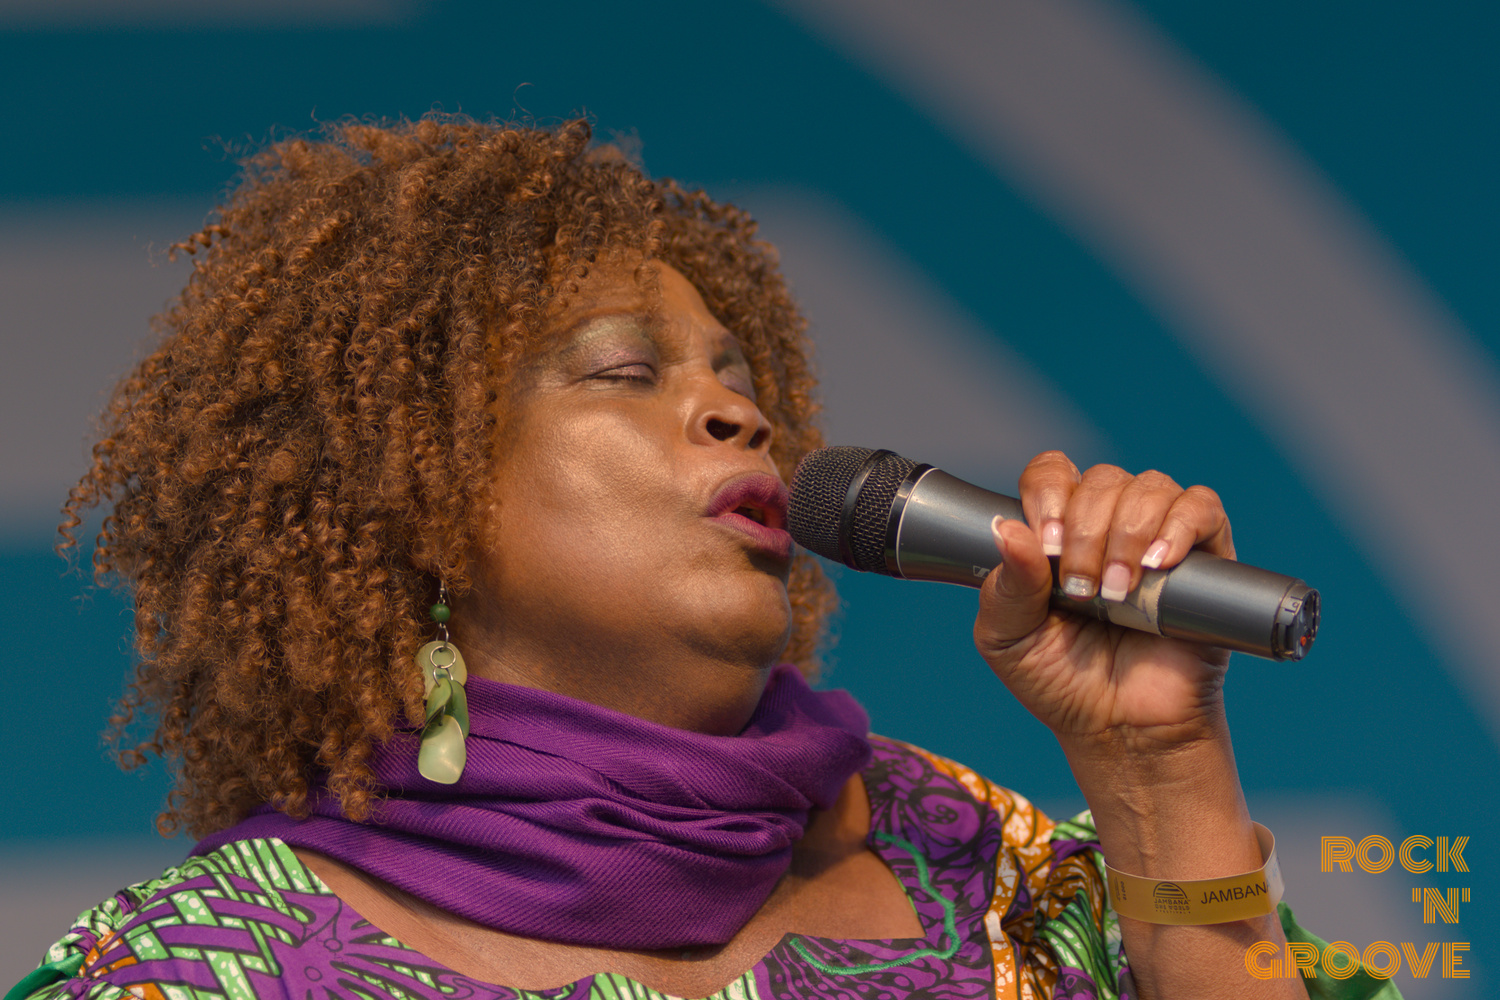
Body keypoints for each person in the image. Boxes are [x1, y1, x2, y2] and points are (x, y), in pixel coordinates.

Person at [10, 117, 1397, 1000]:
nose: (741, 416)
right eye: (625, 371)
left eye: (739, 376)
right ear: (416, 496)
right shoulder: (200, 972)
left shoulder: (989, 869)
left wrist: (1161, 769)